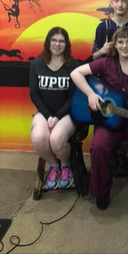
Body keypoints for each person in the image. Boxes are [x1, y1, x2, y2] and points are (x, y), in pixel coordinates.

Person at [71, 26, 128, 210]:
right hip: (110, 115)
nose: (125, 45)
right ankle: (101, 191)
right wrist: (90, 94)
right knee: (99, 147)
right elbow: (75, 73)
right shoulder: (106, 63)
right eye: (120, 41)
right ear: (115, 44)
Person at [30, 27, 80, 190]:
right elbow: (34, 94)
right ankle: (54, 166)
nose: (57, 44)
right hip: (45, 112)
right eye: (54, 40)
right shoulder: (37, 64)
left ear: (66, 44)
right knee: (38, 137)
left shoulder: (73, 65)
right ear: (48, 42)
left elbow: (74, 97)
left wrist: (57, 116)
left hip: (67, 113)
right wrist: (48, 115)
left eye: (61, 41)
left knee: (56, 139)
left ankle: (66, 166)